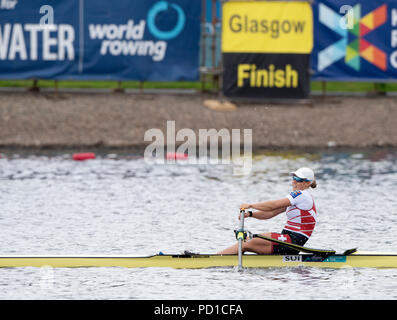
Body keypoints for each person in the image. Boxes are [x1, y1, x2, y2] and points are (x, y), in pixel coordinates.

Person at [217, 167, 318, 255]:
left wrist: (251, 205)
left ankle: (214, 259)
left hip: (291, 242)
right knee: (246, 241)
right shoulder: (301, 198)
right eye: (293, 178)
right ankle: (225, 260)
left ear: (307, 183)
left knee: (245, 242)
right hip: (288, 240)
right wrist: (251, 214)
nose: (293, 182)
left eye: (297, 179)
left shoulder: (301, 195)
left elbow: (272, 205)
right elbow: (271, 212)